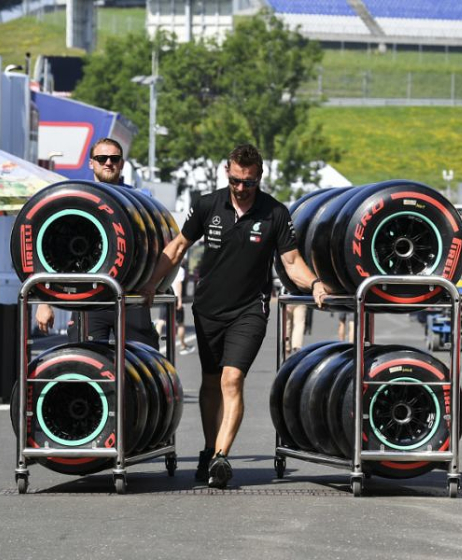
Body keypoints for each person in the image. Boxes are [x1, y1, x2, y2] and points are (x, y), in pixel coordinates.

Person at [138, 144, 327, 489]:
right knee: (210, 383)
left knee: (231, 380)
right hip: (208, 309)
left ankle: (222, 457)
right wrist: (151, 283)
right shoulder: (209, 205)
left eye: (249, 183)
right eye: (237, 181)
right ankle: (210, 451)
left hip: (249, 311)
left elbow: (291, 262)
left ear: (260, 177)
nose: (242, 188)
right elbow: (178, 247)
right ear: (227, 172)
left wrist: (314, 283)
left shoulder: (275, 214)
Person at [34, 138, 159, 349]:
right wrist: (45, 302)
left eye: (114, 158)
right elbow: (52, 254)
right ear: (91, 163)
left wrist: (155, 283)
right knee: (86, 366)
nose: (108, 162)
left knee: (141, 366)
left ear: (122, 163)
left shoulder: (141, 200)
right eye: (102, 158)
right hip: (89, 298)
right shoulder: (76, 199)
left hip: (131, 297)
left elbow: (160, 246)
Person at [173, 265, 195, 355]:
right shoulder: (180, 269)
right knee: (180, 324)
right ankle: (182, 345)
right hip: (175, 298)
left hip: (166, 296)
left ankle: (155, 346)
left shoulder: (169, 267)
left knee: (161, 320)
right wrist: (180, 300)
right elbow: (179, 284)